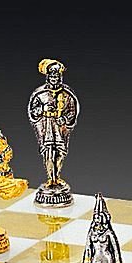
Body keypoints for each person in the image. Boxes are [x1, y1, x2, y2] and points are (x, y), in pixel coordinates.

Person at [27, 58, 80, 205]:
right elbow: (33, 111)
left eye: (57, 76)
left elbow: (72, 111)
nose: (55, 79)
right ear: (48, 77)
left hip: (60, 129)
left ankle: (57, 176)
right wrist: (42, 109)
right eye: (52, 76)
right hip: (47, 126)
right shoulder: (40, 94)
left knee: (61, 153)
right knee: (48, 152)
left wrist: (65, 118)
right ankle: (51, 178)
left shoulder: (67, 94)